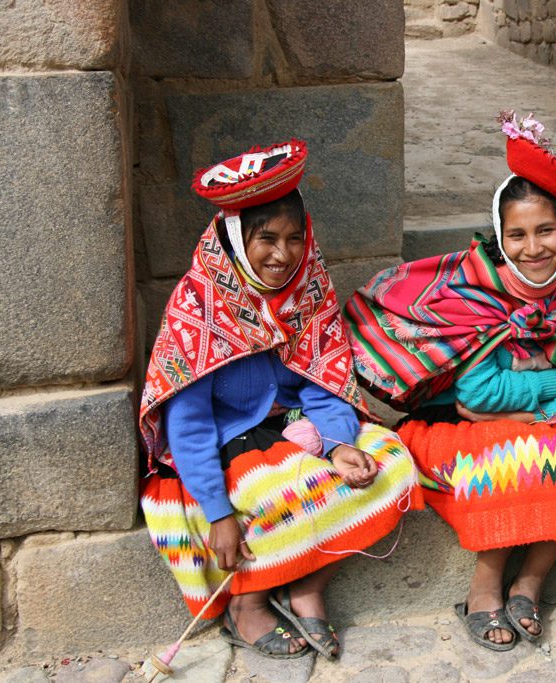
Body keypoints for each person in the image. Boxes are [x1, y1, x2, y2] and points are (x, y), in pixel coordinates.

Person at [345, 115, 556, 651]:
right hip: (454, 424)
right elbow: (475, 395)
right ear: (499, 235)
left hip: (551, 423)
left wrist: (532, 412)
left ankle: (529, 584)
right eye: (516, 234)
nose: (533, 247)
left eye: (546, 231)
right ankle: (484, 586)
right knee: (510, 459)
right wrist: (550, 379)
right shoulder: (478, 294)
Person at [138, 140, 419, 660]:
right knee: (274, 492)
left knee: (392, 463)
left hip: (295, 423)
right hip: (226, 438)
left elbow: (324, 380)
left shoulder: (308, 291)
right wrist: (217, 511)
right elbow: (191, 422)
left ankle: (308, 584)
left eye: (294, 238)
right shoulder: (199, 305)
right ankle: (250, 603)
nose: (282, 254)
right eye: (265, 238)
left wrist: (337, 445)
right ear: (235, 240)